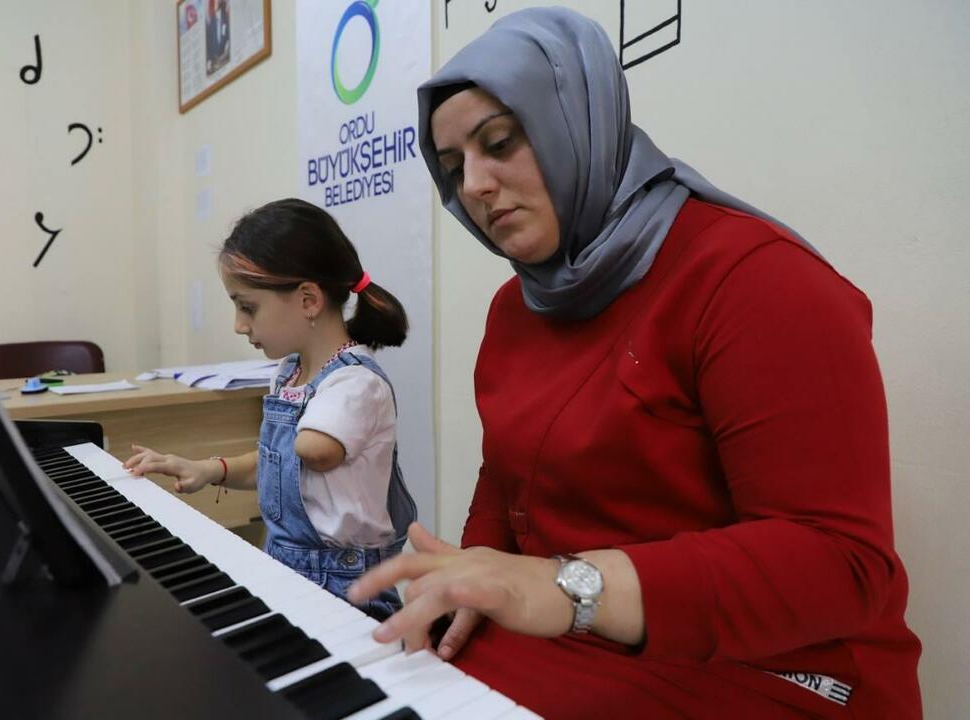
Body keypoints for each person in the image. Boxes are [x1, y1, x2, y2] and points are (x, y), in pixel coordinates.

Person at [349, 7, 921, 718]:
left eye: (499, 142)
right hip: (583, 638)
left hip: (767, 663)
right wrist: (471, 582)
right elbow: (509, 474)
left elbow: (840, 566)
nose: (474, 186)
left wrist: (563, 588)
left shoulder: (756, 280)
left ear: (576, 119)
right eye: (452, 168)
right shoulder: (516, 307)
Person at [126, 198, 417, 619]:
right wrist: (210, 469)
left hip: (347, 587)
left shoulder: (356, 384)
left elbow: (314, 451)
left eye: (248, 307)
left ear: (308, 300)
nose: (239, 325)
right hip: (285, 564)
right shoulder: (289, 372)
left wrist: (296, 415)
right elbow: (280, 465)